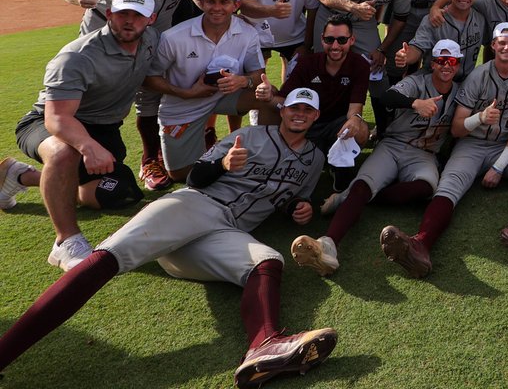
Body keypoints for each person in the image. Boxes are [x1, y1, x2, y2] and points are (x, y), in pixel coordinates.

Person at [0, 88, 339, 389]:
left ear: (316, 116)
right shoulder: (250, 136)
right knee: (106, 259)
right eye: (295, 107)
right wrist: (223, 163)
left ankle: (265, 343)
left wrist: (300, 208)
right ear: (284, 110)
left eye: (307, 111)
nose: (300, 114)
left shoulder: (314, 159)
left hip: (227, 230)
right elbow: (196, 176)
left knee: (267, 260)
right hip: (193, 205)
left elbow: (293, 199)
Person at [378, 23, 508, 277]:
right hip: (471, 145)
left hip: (504, 149)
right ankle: (421, 243)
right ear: (492, 46)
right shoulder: (478, 76)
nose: (506, 47)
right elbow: (458, 130)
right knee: (448, 187)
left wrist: (499, 167)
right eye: (501, 42)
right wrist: (480, 118)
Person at [60, 0, 210, 190]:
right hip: (105, 29)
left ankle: (150, 159)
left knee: (150, 95)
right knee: (90, 96)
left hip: (155, 34)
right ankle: (72, 154)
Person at [289, 40, 463, 277]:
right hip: (393, 145)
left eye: (451, 61)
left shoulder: (460, 91)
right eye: (441, 61)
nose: (446, 66)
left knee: (425, 188)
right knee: (363, 185)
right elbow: (387, 97)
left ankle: (345, 196)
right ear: (432, 63)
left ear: (458, 65)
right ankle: (327, 244)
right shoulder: (416, 82)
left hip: (424, 154)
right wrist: (415, 103)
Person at [14, 0, 156, 270]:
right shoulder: (77, 56)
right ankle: (66, 242)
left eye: (137, 15)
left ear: (150, 19)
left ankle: (21, 177)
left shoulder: (151, 40)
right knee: (64, 153)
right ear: (109, 15)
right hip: (48, 123)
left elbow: (154, 78)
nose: (129, 21)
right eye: (123, 13)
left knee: (119, 193)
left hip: (104, 129)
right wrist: (88, 146)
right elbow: (57, 119)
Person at [143, 0, 269, 181]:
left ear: (235, 5)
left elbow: (258, 74)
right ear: (201, 3)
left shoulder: (247, 32)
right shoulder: (174, 37)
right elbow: (149, 78)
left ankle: (266, 155)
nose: (217, 8)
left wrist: (242, 81)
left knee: (273, 101)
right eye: (211, 1)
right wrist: (186, 93)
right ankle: (220, 157)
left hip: (226, 96)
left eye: (224, 2)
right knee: (180, 174)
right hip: (184, 103)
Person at [266, 14, 371, 194]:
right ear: (322, 40)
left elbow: (355, 109)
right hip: (309, 126)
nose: (335, 46)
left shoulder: (359, 64)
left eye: (342, 40)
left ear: (351, 40)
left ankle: (341, 170)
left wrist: (354, 120)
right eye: (330, 40)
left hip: (338, 125)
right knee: (299, 173)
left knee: (361, 130)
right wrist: (268, 97)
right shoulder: (308, 63)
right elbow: (283, 100)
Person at [403, 0, 487, 82]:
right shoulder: (435, 18)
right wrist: (406, 56)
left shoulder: (480, 18)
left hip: (466, 82)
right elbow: (418, 47)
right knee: (401, 90)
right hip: (434, 79)